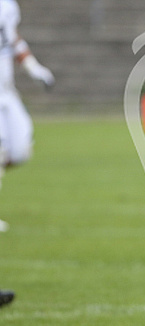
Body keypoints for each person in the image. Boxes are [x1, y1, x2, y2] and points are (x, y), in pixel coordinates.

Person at [0, 0, 55, 232]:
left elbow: (12, 39)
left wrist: (33, 68)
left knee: (20, 150)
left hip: (7, 93)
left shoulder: (8, 6)